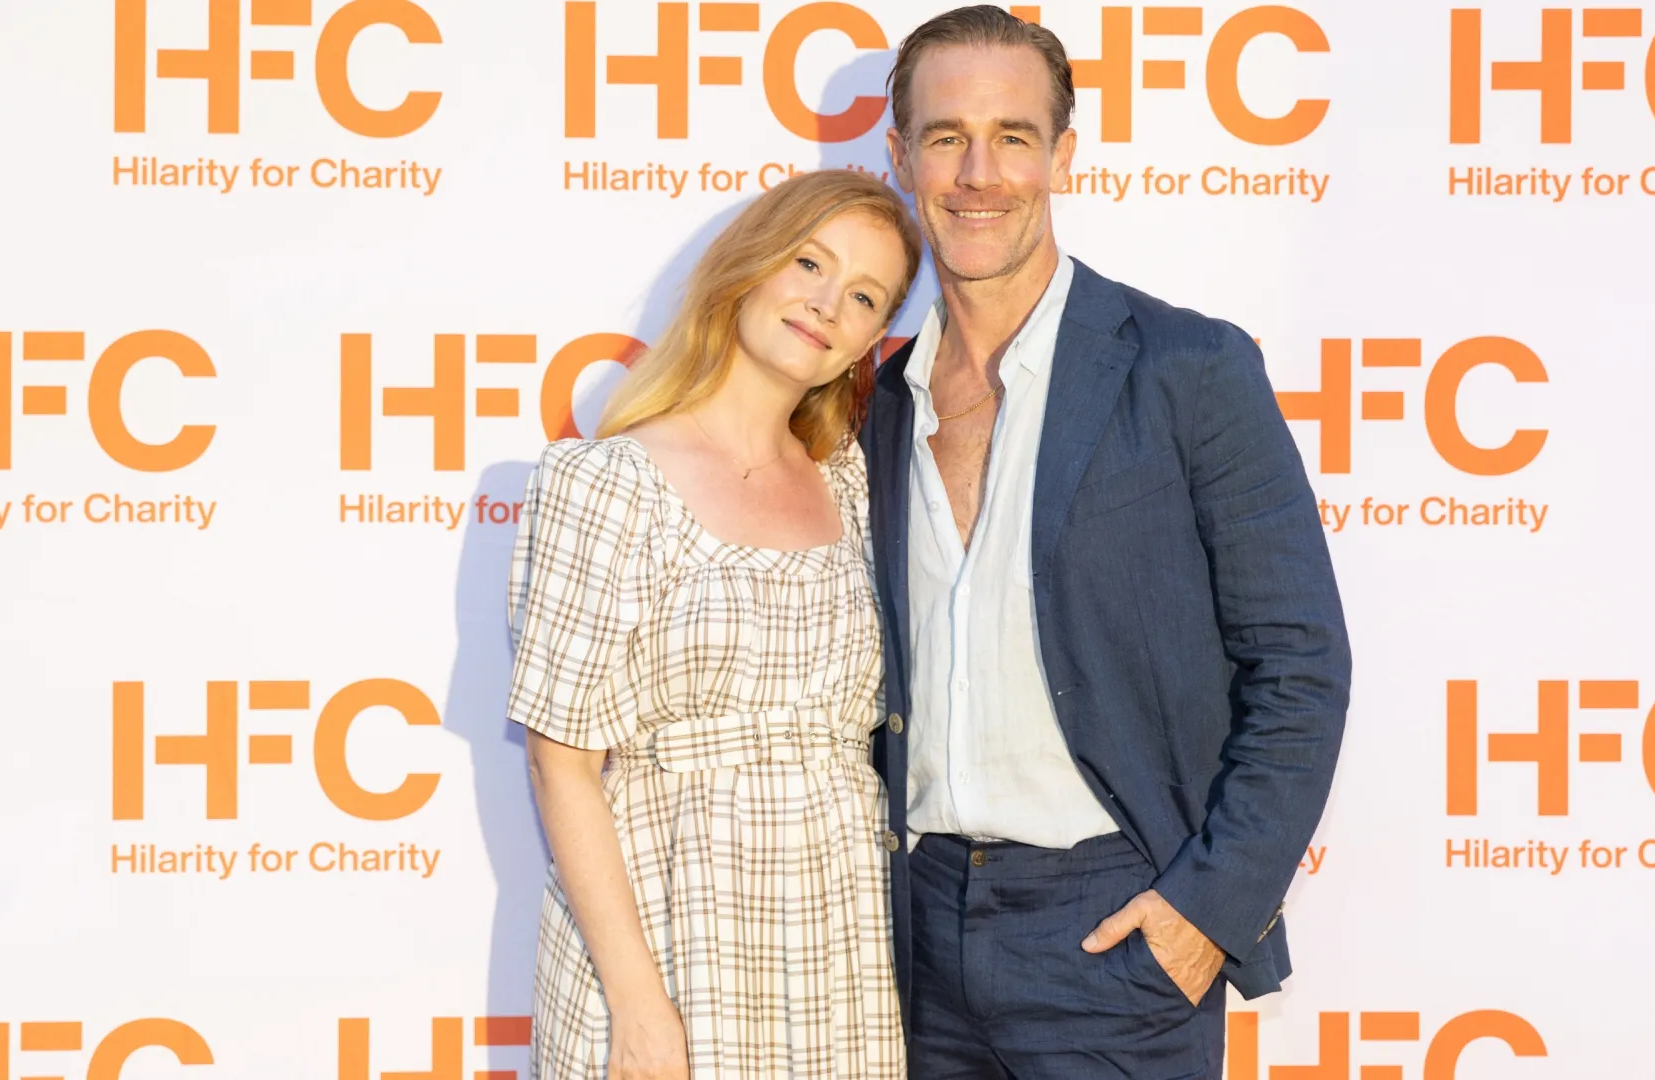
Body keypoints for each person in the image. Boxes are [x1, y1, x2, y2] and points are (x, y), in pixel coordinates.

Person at [860, 7, 1351, 1076]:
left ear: (1063, 155)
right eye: (946, 137)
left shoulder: (1187, 369)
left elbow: (1301, 663)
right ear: (900, 158)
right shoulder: (871, 398)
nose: (978, 174)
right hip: (911, 933)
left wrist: (1203, 912)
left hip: (1113, 924)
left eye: (1014, 137)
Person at [505, 169, 920, 1079]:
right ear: (750, 261)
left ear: (868, 339)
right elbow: (560, 761)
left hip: (837, 939)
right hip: (668, 925)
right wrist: (640, 1008)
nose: (824, 303)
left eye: (862, 296)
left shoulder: (850, 484)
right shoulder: (606, 481)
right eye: (810, 261)